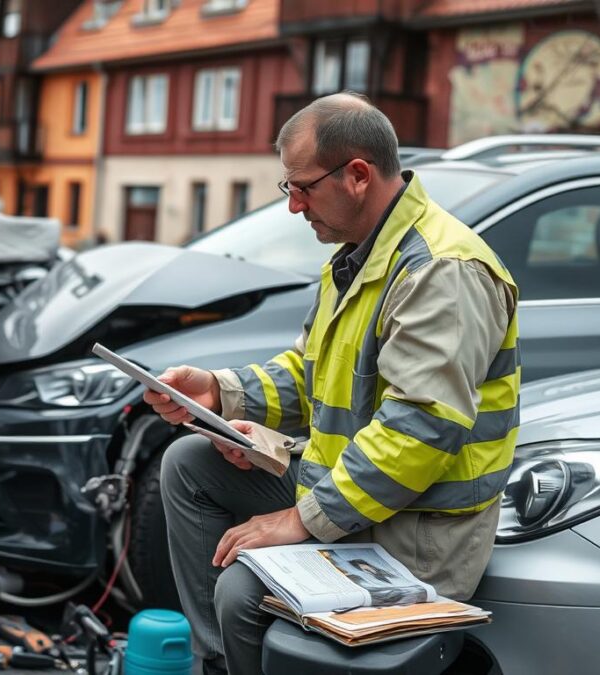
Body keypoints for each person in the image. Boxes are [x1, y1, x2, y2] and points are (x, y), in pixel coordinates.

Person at [145, 93, 519, 675]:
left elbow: (420, 427)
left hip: (415, 532)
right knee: (188, 462)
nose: (293, 205)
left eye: (302, 187)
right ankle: (218, 663)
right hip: (360, 497)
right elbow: (310, 372)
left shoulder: (441, 270)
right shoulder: (359, 256)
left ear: (358, 176)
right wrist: (219, 392)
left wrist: (300, 521)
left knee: (242, 594)